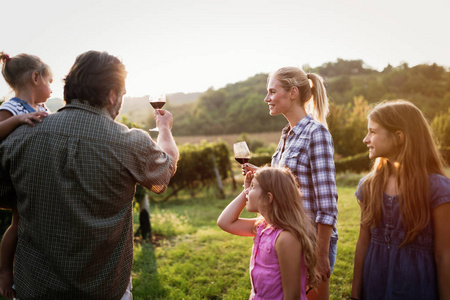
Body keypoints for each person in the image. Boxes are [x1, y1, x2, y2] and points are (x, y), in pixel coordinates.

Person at [0, 50, 179, 299]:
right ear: (112, 95)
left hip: (35, 287)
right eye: (123, 95)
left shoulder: (18, 137)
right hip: (104, 290)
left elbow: (5, 200)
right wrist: (164, 130)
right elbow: (165, 170)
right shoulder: (130, 142)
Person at [243, 67, 338, 299]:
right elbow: (286, 184)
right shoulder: (286, 134)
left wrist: (321, 254)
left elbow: (327, 203)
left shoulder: (317, 133)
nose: (267, 98)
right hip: (287, 239)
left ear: (293, 92)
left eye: (272, 91)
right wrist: (260, 174)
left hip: (312, 240)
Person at [351, 100, 450, 300]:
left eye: (373, 132)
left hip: (418, 288)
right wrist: (354, 295)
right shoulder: (368, 186)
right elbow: (363, 244)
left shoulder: (437, 189)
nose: (365, 139)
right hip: (375, 286)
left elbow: (444, 254)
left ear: (399, 137)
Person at [218, 166, 319, 299]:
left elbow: (292, 296)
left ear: (268, 197)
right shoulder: (262, 226)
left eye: (253, 187)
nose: (248, 191)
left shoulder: (286, 238)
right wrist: (245, 192)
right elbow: (224, 222)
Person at [0, 52, 52, 299]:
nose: (51, 87)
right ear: (35, 77)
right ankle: (4, 273)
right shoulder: (10, 108)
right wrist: (19, 119)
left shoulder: (42, 108)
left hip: (37, 175)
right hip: (16, 179)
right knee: (18, 223)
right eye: (49, 81)